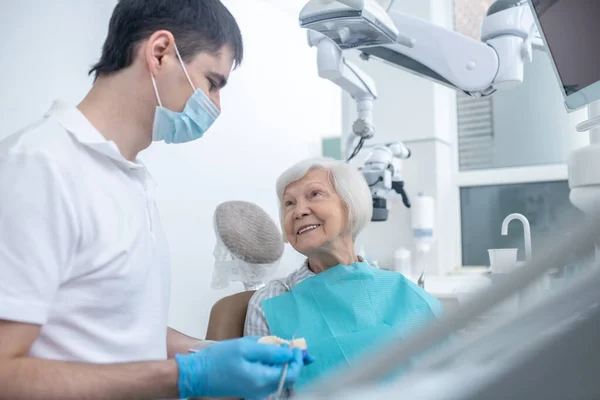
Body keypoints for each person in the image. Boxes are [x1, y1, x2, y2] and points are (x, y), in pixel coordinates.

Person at [0, 1, 306, 399]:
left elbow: (115, 329)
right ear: (160, 52)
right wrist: (183, 376)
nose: (216, 106)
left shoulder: (131, 179)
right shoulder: (40, 166)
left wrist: (212, 352)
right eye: (212, 82)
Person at [244, 158, 444, 399]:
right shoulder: (270, 302)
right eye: (289, 203)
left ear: (349, 206)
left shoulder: (404, 291)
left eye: (315, 194)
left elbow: (449, 375)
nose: (299, 211)